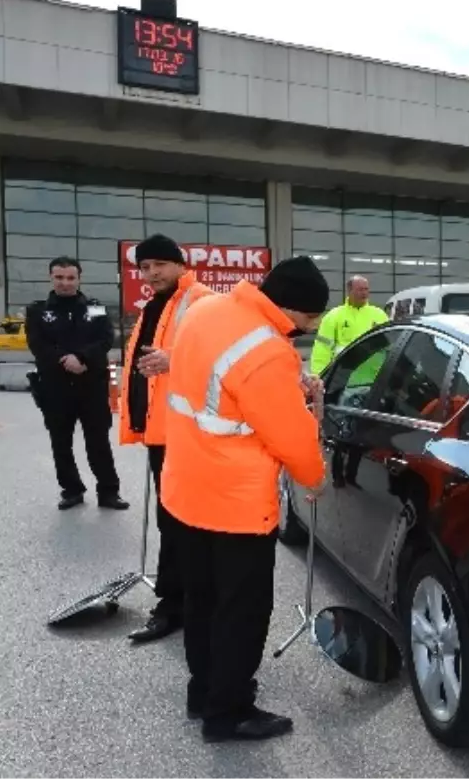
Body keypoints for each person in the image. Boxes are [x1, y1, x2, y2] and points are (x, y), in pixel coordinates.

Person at [161, 256, 329, 742]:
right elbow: (292, 439)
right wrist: (314, 480)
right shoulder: (269, 351)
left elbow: (220, 389)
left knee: (202, 600)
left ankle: (203, 692)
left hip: (185, 491)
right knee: (241, 611)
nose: (309, 328)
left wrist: (284, 389)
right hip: (235, 506)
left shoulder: (206, 311)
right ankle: (229, 711)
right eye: (310, 319)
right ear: (292, 310)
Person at [118, 235, 214, 644]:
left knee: (184, 524)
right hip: (162, 433)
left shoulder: (202, 300)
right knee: (172, 521)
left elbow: (225, 355)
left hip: (188, 435)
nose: (151, 273)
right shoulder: (155, 306)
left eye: (159, 264)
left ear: (179, 264)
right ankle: (179, 602)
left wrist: (176, 359)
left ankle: (179, 606)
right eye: (144, 267)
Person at [25, 256, 129, 511]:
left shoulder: (94, 308)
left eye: (71, 277)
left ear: (79, 278)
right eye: (59, 277)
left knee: (99, 443)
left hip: (91, 387)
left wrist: (81, 358)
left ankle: (108, 492)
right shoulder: (38, 310)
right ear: (51, 278)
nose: (65, 283)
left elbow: (106, 339)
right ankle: (71, 490)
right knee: (61, 443)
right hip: (55, 389)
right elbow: (38, 345)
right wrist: (65, 360)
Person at [308, 275, 389, 375]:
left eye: (366, 289)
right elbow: (322, 348)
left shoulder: (380, 315)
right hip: (344, 379)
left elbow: (389, 345)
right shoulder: (333, 316)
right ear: (349, 291)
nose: (364, 293)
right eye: (360, 289)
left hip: (374, 378)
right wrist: (318, 375)